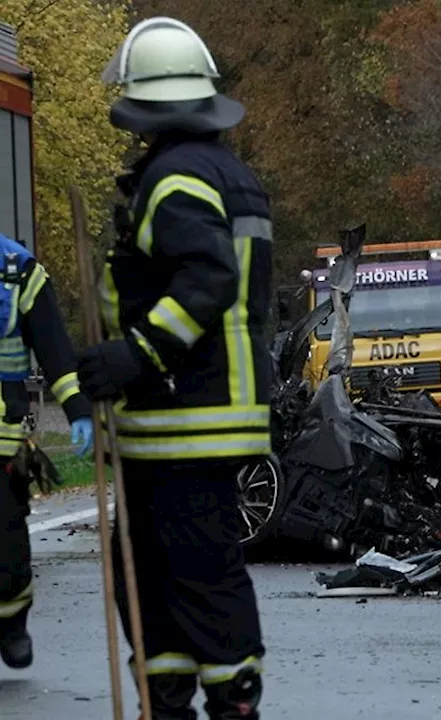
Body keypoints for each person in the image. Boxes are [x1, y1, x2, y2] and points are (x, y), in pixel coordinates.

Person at [77, 16, 273, 720]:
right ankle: (188, 700)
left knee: (186, 580)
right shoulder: (227, 173)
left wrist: (135, 355)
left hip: (180, 417)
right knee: (172, 579)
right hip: (203, 417)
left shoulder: (175, 179)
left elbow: (207, 279)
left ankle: (208, 705)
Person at [0, 233, 94, 669]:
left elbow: (54, 348)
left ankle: (11, 620)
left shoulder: (16, 269)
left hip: (1, 436)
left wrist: (77, 408)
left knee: (7, 546)